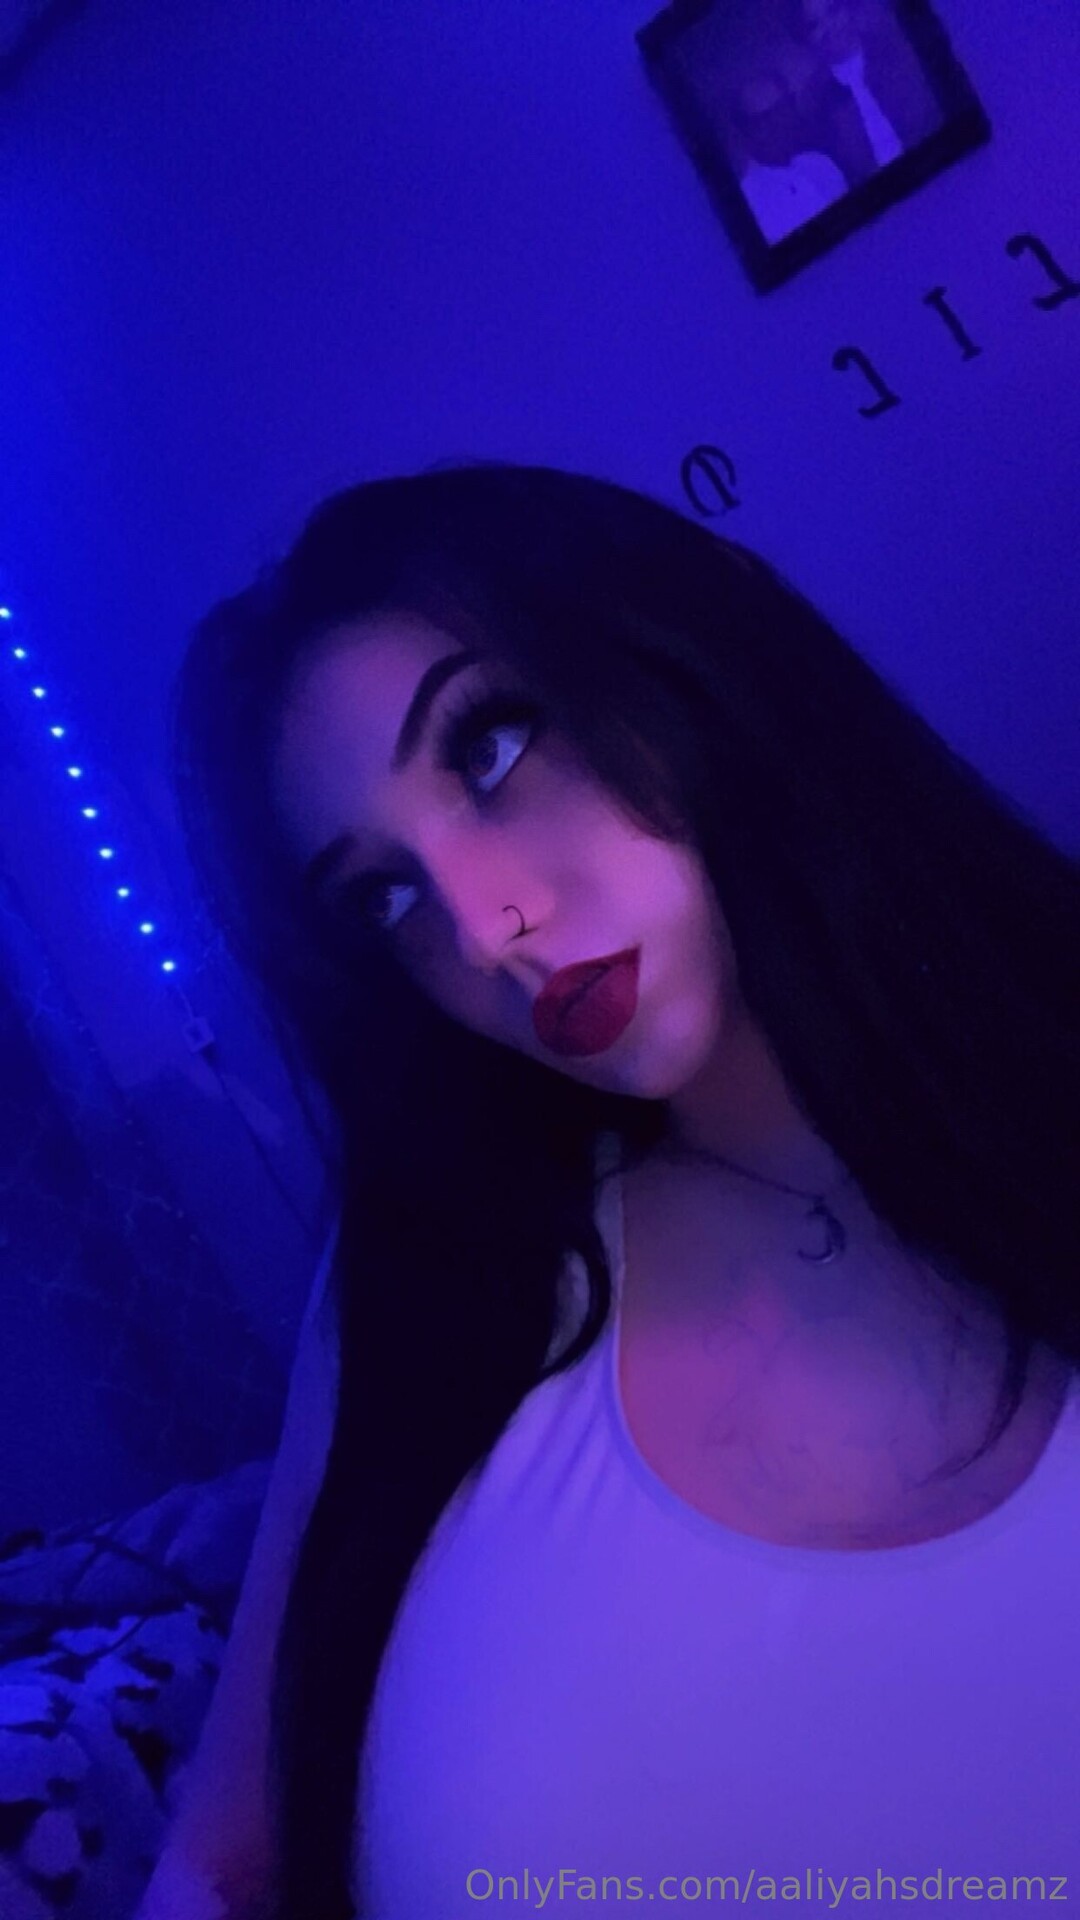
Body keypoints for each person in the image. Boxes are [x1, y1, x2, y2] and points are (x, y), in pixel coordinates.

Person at [136, 462, 1080, 1920]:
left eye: (493, 744)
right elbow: (225, 1857)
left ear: (675, 655)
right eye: (384, 895)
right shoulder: (431, 1273)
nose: (482, 926)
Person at [786, 0, 945, 181]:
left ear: (848, 9)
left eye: (833, 11)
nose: (830, 26)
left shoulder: (900, 51)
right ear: (805, 37)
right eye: (814, 25)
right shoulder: (816, 104)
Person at [724, 67, 848, 241]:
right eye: (764, 119)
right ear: (748, 130)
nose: (780, 123)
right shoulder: (750, 198)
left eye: (784, 108)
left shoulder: (819, 162)